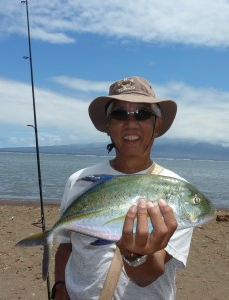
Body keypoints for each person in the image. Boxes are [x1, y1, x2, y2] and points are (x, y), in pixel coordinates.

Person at [53, 76, 193, 300]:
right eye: (119, 114)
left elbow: (148, 275)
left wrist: (134, 255)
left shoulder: (175, 193)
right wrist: (60, 287)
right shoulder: (78, 181)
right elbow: (67, 246)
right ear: (108, 125)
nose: (131, 122)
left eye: (143, 114)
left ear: (156, 125)